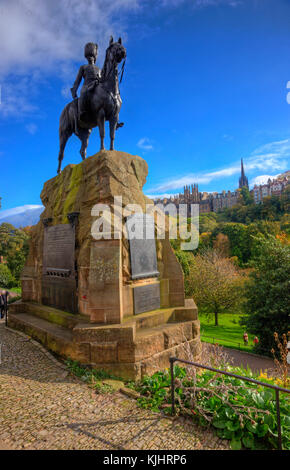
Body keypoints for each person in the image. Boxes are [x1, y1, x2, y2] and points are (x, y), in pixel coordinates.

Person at [71, 42, 101, 122]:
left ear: (94, 57)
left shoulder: (99, 69)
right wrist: (74, 90)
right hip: (87, 86)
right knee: (84, 93)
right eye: (88, 56)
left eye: (91, 56)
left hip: (96, 86)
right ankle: (82, 112)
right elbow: (78, 80)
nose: (90, 58)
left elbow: (101, 79)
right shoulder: (83, 67)